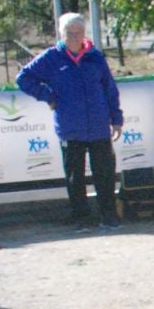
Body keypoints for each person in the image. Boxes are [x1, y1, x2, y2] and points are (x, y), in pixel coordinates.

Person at [16, 12, 124, 231]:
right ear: (60, 33)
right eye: (69, 33)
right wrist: (48, 96)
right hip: (70, 127)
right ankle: (81, 218)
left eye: (79, 32)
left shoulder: (96, 57)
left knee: (104, 174)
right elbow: (23, 78)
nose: (74, 37)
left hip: (98, 126)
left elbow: (109, 89)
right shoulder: (51, 58)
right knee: (75, 177)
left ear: (84, 34)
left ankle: (108, 216)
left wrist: (116, 119)